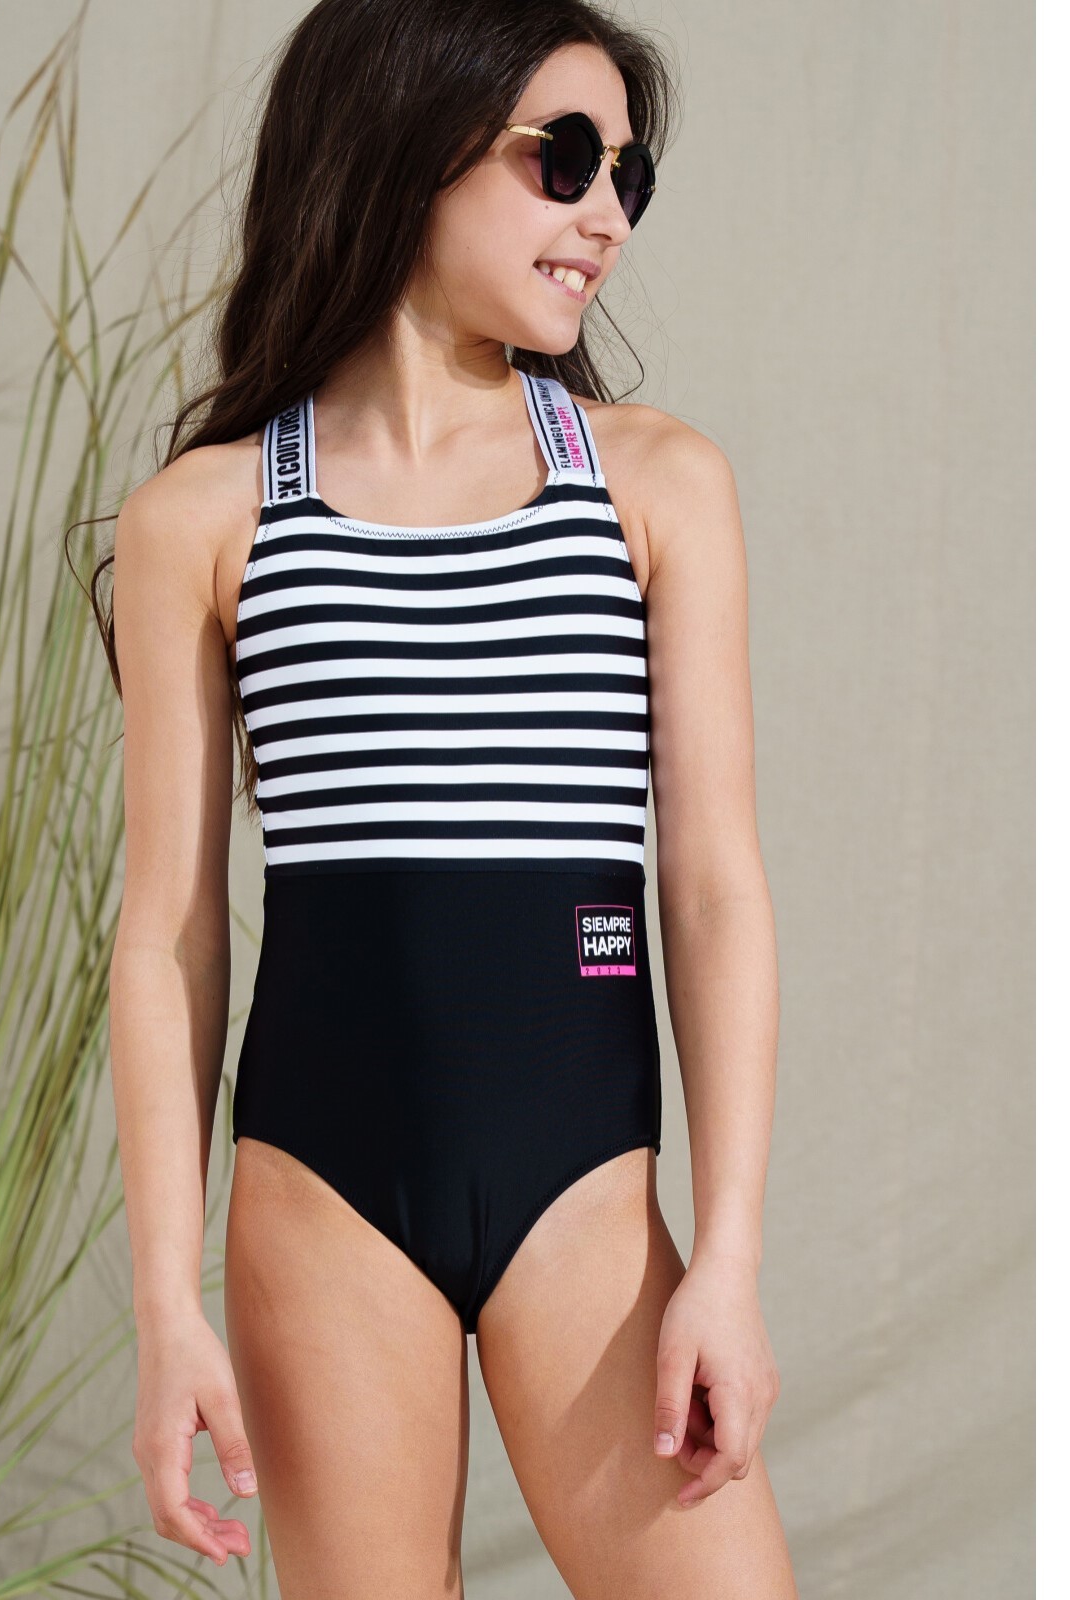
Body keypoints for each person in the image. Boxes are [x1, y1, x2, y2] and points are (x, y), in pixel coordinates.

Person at [93, 1, 798, 1594]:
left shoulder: (653, 484)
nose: (606, 214)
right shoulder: (203, 519)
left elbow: (711, 890)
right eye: (566, 159)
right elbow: (170, 935)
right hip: (323, 1201)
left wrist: (731, 1253)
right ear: (407, 144)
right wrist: (164, 1303)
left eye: (629, 174)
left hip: (586, 1197)